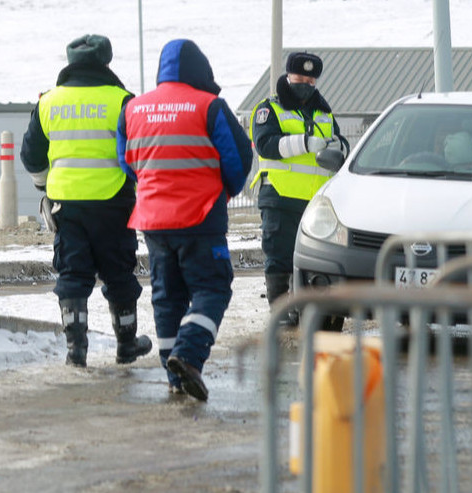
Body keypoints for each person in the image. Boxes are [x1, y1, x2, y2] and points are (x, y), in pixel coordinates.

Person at [117, 39, 253, 401]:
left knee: (167, 297)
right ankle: (189, 356)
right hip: (200, 216)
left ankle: (174, 375)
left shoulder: (133, 109)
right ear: (201, 71)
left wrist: (154, 187)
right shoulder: (209, 106)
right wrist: (224, 191)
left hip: (153, 220)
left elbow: (125, 161)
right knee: (212, 288)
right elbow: (239, 160)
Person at [20, 34, 152, 368]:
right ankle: (126, 344)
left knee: (72, 274)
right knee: (119, 274)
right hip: (113, 203)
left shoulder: (49, 102)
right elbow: (141, 154)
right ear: (105, 61)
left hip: (67, 206)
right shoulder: (122, 101)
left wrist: (45, 191)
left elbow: (31, 156)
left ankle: (75, 350)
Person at [248, 51, 345, 325]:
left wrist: (341, 148)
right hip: (279, 198)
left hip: (316, 203)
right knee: (279, 259)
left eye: (311, 81)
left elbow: (341, 144)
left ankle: (309, 312)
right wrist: (304, 143)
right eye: (300, 78)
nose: (305, 84)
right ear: (288, 77)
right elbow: (266, 145)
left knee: (314, 261)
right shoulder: (270, 109)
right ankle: (280, 313)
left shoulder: (325, 113)